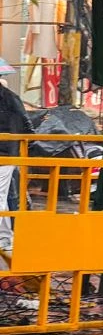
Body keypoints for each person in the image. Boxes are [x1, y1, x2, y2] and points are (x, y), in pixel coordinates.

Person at [0, 80, 31, 250]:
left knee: (0, 194)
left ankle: (5, 238)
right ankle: (5, 238)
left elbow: (24, 123)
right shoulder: (11, 97)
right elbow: (26, 124)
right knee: (2, 195)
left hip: (5, 153)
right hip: (8, 151)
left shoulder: (9, 98)